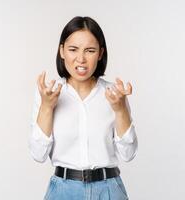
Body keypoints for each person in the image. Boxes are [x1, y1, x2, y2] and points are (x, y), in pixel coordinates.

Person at [28, 16, 138, 200]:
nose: (81, 59)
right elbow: (38, 154)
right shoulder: (48, 94)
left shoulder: (114, 94)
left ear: (100, 53)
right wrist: (47, 107)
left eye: (90, 50)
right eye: (73, 49)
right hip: (63, 191)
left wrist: (120, 110)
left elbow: (128, 154)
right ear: (62, 51)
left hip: (109, 190)